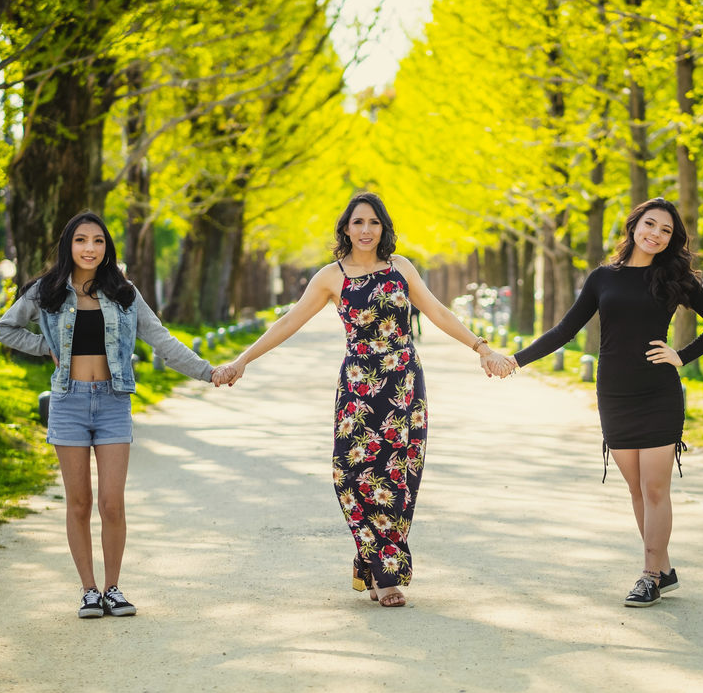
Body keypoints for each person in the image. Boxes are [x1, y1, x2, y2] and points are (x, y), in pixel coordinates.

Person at [215, 191, 513, 608]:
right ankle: (375, 564)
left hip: (404, 385)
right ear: (346, 228)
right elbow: (289, 322)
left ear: (383, 227)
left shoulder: (401, 268)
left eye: (374, 222)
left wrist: (482, 348)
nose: (366, 230)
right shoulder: (330, 277)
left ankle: (384, 574)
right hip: (358, 389)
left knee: (397, 477)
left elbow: (439, 313)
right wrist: (242, 360)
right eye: (358, 222)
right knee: (351, 474)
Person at [0, 211, 228, 619]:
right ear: (69, 245)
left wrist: (208, 372)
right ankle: (88, 590)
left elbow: (162, 341)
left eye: (98, 241)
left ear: (107, 248)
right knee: (79, 502)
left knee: (111, 503)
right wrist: (46, 348)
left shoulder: (124, 293)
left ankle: (113, 588)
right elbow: (5, 328)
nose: (90, 248)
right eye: (82, 240)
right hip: (67, 402)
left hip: (112, 402)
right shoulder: (46, 291)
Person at [508, 198, 703, 608]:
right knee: (635, 488)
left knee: (655, 488)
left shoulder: (673, 276)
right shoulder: (602, 278)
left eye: (666, 231)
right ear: (633, 226)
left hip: (658, 392)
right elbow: (564, 330)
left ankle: (649, 576)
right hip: (614, 391)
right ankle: (664, 570)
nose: (656, 235)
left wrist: (681, 355)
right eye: (650, 225)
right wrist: (516, 360)